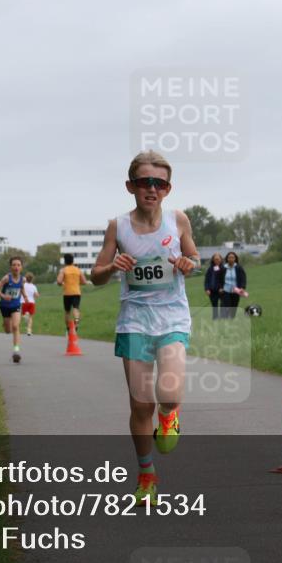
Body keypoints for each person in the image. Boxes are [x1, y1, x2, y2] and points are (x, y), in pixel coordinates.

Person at [90, 150, 198, 506]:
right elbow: (96, 276)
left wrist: (186, 263)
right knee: (140, 405)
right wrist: (112, 266)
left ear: (168, 189)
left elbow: (194, 259)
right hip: (134, 320)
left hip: (171, 317)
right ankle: (146, 474)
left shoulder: (178, 221)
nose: (151, 188)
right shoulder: (117, 226)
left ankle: (170, 416)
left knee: (169, 393)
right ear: (130, 186)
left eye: (159, 183)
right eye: (144, 182)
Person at [0, 256, 28, 363]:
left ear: (21, 267)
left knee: (16, 326)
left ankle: (16, 351)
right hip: (4, 306)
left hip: (16, 305)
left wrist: (25, 296)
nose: (16, 267)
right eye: (14, 265)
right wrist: (3, 296)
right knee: (8, 330)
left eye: (18, 265)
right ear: (10, 267)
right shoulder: (7, 278)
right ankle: (5, 324)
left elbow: (21, 287)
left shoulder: (23, 279)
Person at [57, 253, 89, 331]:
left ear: (65, 261)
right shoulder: (78, 270)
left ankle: (68, 328)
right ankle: (76, 321)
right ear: (72, 260)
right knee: (76, 308)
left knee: (67, 311)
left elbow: (59, 281)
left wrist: (62, 283)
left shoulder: (63, 270)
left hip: (67, 293)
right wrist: (77, 283)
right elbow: (84, 282)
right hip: (76, 293)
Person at [216, 251, 247, 320]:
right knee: (226, 304)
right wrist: (220, 288)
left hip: (236, 290)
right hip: (225, 290)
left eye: (233, 257)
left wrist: (242, 287)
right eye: (229, 257)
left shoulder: (239, 268)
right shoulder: (223, 268)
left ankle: (232, 318)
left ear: (235, 259)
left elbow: (243, 278)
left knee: (234, 305)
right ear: (227, 259)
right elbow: (218, 279)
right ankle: (225, 318)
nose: (231, 259)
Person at [204, 252, 223, 320]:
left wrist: (222, 287)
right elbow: (207, 280)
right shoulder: (210, 269)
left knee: (223, 304)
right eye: (215, 259)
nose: (217, 260)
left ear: (221, 259)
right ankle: (215, 317)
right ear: (213, 260)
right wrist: (207, 289)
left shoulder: (224, 268)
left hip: (221, 290)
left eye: (218, 259)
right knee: (214, 305)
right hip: (212, 291)